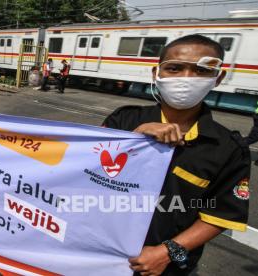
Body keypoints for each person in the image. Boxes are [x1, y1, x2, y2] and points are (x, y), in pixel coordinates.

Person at [102, 35, 250, 276]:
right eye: (174, 68)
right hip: (101, 252)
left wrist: (166, 252)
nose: (186, 78)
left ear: (218, 78)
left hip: (166, 267)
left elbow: (221, 214)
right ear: (156, 73)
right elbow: (85, 170)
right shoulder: (124, 120)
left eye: (201, 70)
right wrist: (134, 139)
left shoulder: (229, 148)